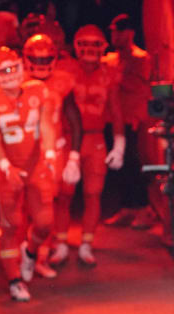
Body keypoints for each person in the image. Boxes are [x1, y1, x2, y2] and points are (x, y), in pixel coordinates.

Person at [0, 46, 56, 301]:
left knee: (44, 222)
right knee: (11, 226)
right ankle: (14, 280)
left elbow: (46, 124)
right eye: (2, 71)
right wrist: (6, 166)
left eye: (12, 68)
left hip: (36, 165)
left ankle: (30, 252)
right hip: (9, 167)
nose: (9, 75)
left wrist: (50, 154)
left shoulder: (37, 90)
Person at [61, 24, 125, 266]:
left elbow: (116, 111)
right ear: (76, 46)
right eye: (84, 43)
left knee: (93, 193)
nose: (88, 49)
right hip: (68, 138)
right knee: (64, 193)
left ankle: (86, 243)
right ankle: (60, 243)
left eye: (94, 44)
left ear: (102, 47)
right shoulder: (64, 70)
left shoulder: (109, 74)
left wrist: (119, 144)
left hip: (96, 138)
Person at [22, 33, 83, 269]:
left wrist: (74, 158)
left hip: (52, 152)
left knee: (49, 204)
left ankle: (41, 253)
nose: (41, 65)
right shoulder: (15, 82)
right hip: (23, 154)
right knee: (22, 208)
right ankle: (25, 252)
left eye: (45, 59)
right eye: (35, 60)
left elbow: (75, 120)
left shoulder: (62, 82)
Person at [102, 14, 156, 230]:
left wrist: (116, 78)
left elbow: (141, 87)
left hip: (131, 120)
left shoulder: (141, 58)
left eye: (119, 31)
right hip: (112, 119)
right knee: (118, 166)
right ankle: (126, 207)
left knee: (134, 164)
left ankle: (143, 208)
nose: (114, 35)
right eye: (113, 31)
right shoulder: (110, 59)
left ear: (130, 32)